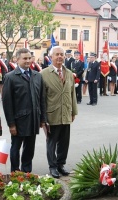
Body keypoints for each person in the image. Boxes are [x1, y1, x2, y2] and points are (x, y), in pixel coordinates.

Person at [2, 48, 46, 173]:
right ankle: (15, 172)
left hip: (33, 119)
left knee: (29, 148)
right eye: (24, 58)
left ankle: (26, 172)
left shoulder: (37, 76)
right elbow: (7, 103)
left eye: (29, 58)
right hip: (18, 121)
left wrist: (42, 119)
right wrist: (11, 124)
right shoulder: (10, 77)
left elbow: (41, 98)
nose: (28, 61)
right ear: (17, 59)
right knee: (15, 148)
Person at [41, 46, 77, 178]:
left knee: (64, 142)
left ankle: (61, 164)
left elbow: (72, 94)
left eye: (62, 54)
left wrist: (73, 111)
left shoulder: (68, 73)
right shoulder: (43, 74)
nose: (60, 57)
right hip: (52, 115)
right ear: (51, 57)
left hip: (66, 113)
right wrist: (43, 118)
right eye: (57, 54)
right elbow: (42, 98)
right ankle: (53, 167)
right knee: (51, 142)